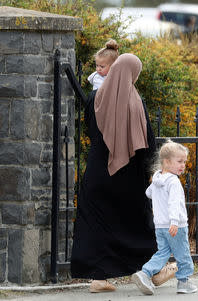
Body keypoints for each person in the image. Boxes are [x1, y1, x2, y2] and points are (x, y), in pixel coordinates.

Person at [71, 53, 158, 293]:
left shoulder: (95, 98)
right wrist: (150, 170)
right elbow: (147, 143)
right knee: (135, 222)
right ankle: (151, 269)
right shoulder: (135, 101)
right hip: (127, 176)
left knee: (96, 224)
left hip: (97, 171)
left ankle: (98, 278)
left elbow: (90, 131)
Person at [132, 140, 197, 295]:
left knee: (163, 252)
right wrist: (174, 222)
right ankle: (184, 282)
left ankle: (145, 273)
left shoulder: (157, 179)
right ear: (167, 162)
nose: (183, 165)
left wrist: (157, 190)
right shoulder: (173, 181)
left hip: (160, 226)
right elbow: (174, 204)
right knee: (183, 253)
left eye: (184, 162)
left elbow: (148, 193)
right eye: (179, 161)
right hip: (176, 225)